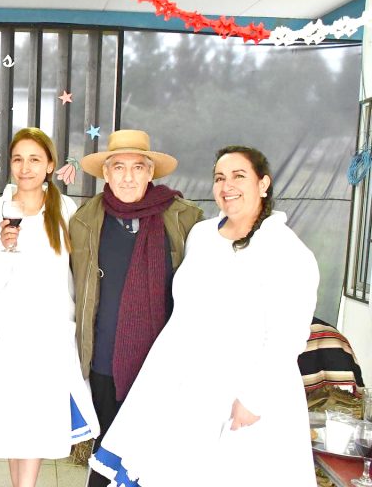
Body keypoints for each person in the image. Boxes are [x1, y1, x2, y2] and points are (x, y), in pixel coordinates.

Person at [89, 146, 320, 487]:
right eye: (219, 178)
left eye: (239, 176)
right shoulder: (202, 235)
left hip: (243, 393)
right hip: (186, 385)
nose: (228, 185)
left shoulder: (287, 251)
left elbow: (287, 337)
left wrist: (254, 399)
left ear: (264, 183)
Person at [0, 127, 100, 487]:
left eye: (35, 159)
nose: (25, 168)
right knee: (15, 423)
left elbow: (75, 276)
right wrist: (6, 248)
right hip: (4, 334)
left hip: (50, 332)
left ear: (50, 165)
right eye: (18, 159)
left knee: (37, 423)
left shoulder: (67, 210)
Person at [69, 129, 202, 487]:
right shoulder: (84, 221)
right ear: (106, 173)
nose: (128, 176)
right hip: (104, 361)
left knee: (156, 457)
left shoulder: (185, 219)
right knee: (106, 452)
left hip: (163, 364)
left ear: (150, 172)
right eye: (119, 167)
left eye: (137, 167)